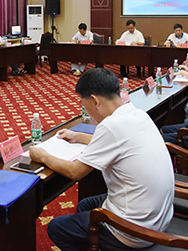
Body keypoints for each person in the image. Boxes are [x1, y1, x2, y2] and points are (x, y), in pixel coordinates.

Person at [29, 68, 174, 250]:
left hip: (134, 231)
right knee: (86, 204)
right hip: (159, 218)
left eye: (84, 104)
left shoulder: (111, 126)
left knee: (57, 228)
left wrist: (42, 155)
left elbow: (75, 172)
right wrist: (78, 136)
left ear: (95, 100)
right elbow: (117, 143)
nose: (87, 112)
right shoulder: (137, 114)